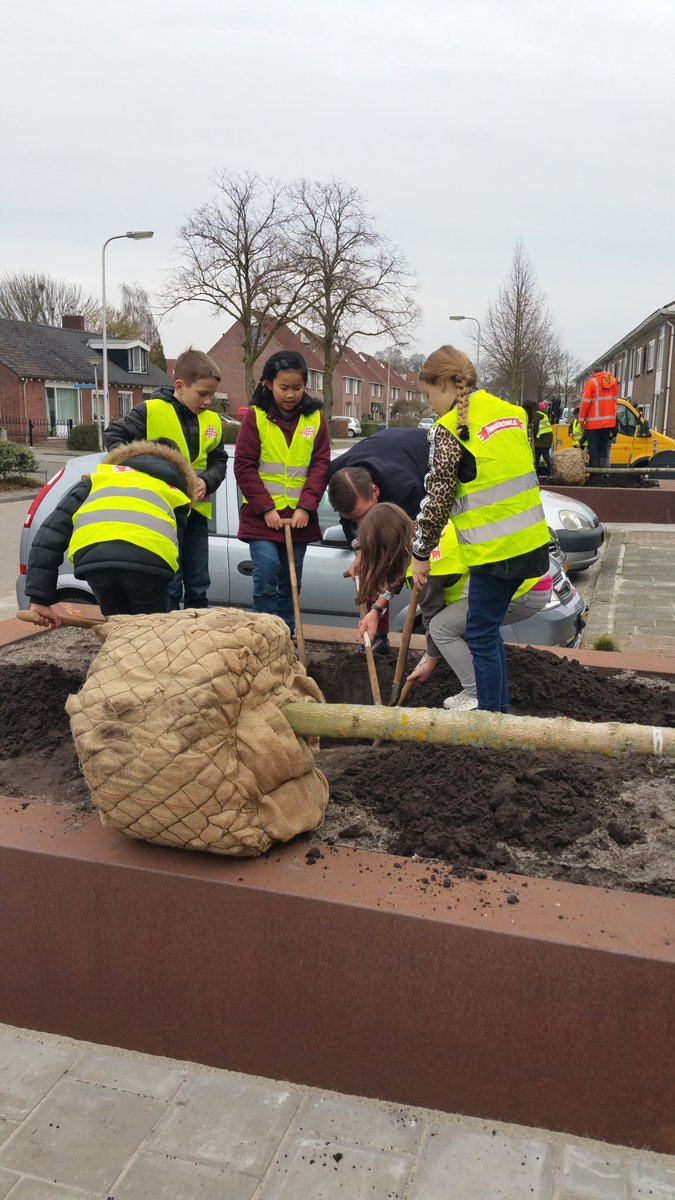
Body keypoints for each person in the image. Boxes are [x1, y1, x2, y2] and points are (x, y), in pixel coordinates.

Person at [410, 345, 550, 714]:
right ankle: (497, 712)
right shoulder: (512, 414)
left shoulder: (450, 429)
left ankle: (492, 720)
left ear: (443, 385)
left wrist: (420, 553)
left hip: (495, 552)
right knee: (486, 632)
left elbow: (437, 497)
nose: (430, 405)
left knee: (480, 634)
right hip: (532, 544)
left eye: (428, 396)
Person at [356, 504, 553, 712]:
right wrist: (376, 609)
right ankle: (497, 704)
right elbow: (399, 573)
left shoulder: (427, 568)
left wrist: (431, 660)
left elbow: (432, 617)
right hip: (526, 575)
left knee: (443, 628)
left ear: (386, 549)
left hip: (522, 590)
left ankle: (476, 693)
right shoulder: (425, 531)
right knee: (479, 633)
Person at [104, 348, 227, 609]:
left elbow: (219, 461)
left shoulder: (213, 421)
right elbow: (114, 438)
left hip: (196, 516)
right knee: (169, 582)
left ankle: (196, 638)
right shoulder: (150, 411)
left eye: (211, 395)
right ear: (180, 386)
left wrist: (207, 479)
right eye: (202, 394)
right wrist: (145, 473)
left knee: (198, 582)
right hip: (160, 513)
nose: (207, 401)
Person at [26, 440, 198, 623]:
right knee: (149, 636)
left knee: (117, 628)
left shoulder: (99, 478)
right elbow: (176, 547)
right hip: (148, 561)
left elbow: (50, 535)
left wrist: (40, 598)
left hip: (95, 561)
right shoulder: (174, 492)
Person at [327, 429, 451, 655]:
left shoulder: (406, 489)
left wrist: (378, 606)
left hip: (422, 461)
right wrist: (359, 549)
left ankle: (439, 647)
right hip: (388, 455)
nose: (362, 524)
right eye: (355, 519)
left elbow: (404, 556)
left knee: (421, 571)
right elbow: (350, 521)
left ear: (375, 491)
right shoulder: (337, 477)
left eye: (365, 515)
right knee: (370, 561)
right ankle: (379, 639)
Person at [234, 351, 330, 635]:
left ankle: (288, 636)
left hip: (299, 518)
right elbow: (244, 467)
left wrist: (306, 507)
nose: (291, 395)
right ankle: (264, 635)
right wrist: (266, 509)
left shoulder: (315, 419)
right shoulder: (256, 418)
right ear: (268, 383)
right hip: (262, 517)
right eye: (284, 387)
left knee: (291, 581)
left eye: (297, 388)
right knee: (266, 575)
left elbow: (320, 465)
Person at [579, 369, 618, 470]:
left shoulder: (592, 383)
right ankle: (603, 474)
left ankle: (595, 474)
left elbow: (585, 403)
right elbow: (614, 401)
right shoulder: (613, 382)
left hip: (593, 423)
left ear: (593, 372)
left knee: (594, 449)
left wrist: (581, 421)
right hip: (608, 423)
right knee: (603, 448)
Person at [533, 401, 553, 475]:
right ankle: (535, 472)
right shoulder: (541, 414)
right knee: (538, 456)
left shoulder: (536, 415)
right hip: (543, 438)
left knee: (544, 455)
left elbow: (535, 427)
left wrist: (532, 435)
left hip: (543, 438)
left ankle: (552, 471)